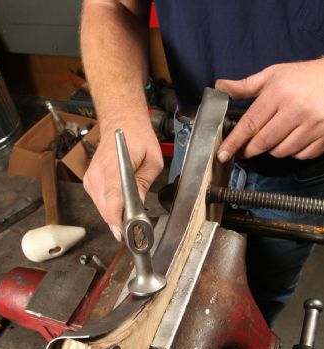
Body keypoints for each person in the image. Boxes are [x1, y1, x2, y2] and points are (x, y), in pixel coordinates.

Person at [80, 0, 324, 327]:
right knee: (181, 293)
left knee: (261, 302)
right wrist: (119, 115)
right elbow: (112, 6)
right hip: (197, 141)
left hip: (303, 161)